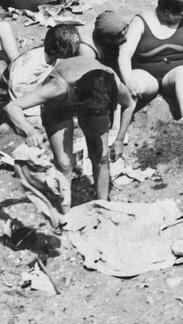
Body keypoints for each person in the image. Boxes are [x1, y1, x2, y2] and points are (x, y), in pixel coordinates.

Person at [3, 23, 134, 203]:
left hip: (92, 98)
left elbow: (129, 105)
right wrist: (29, 130)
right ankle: (65, 214)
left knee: (101, 157)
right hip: (59, 107)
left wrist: (119, 139)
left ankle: (102, 205)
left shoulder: (112, 82)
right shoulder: (58, 87)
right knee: (64, 165)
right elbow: (12, 107)